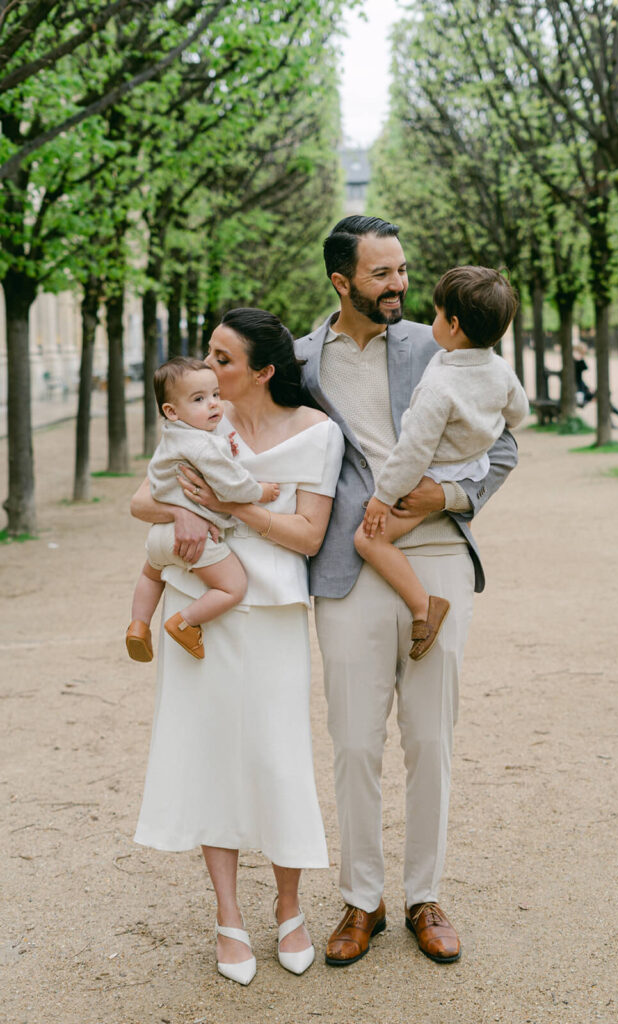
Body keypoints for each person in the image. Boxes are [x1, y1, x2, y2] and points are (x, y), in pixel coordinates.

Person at [294, 215, 520, 966]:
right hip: (346, 566)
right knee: (354, 743)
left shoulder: (444, 343)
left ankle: (425, 895)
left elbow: (507, 442)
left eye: (401, 271)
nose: (398, 285)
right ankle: (362, 900)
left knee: (430, 738)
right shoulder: (298, 362)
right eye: (381, 274)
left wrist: (449, 499)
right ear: (341, 281)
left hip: (439, 556)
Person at [130, 308, 345, 985]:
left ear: (262, 371)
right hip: (203, 609)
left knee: (279, 758)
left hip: (274, 608)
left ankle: (289, 907)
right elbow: (142, 500)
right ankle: (227, 915)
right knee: (211, 758)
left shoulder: (318, 434)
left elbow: (307, 537)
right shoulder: (197, 425)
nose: (210, 369)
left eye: (223, 359)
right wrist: (185, 510)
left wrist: (234, 508)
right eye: (210, 356)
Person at [355, 266, 528, 661]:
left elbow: (413, 452)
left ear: (453, 324)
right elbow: (518, 413)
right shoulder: (499, 368)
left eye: (435, 314)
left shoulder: (440, 387)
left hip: (434, 474)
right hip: (472, 466)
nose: (430, 321)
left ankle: (423, 606)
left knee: (367, 539)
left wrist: (383, 497)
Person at [125, 356, 279, 662]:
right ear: (171, 411)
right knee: (232, 587)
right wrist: (260, 491)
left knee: (150, 577)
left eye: (215, 395)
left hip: (158, 537)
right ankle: (185, 622)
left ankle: (138, 625)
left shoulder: (171, 438)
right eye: (199, 399)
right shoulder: (204, 445)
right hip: (195, 540)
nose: (213, 405)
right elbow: (232, 484)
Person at [573, 341, 618, 424]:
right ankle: (616, 420)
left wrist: (588, 388)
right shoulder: (577, 361)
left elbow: (579, 379)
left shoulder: (576, 361)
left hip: (582, 390)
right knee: (602, 397)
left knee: (603, 397)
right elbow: (582, 372)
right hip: (580, 393)